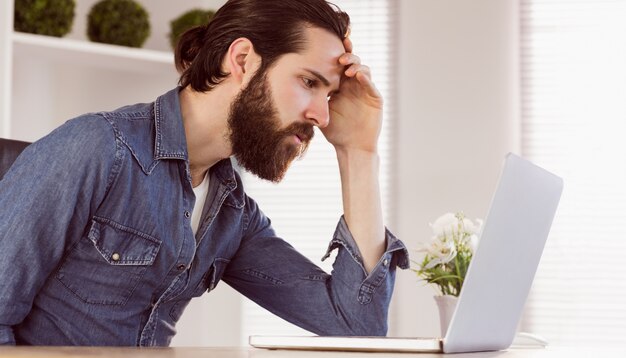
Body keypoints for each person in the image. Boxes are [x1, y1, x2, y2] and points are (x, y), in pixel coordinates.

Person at [0, 0, 408, 346]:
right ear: (243, 60)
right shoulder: (99, 149)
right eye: (308, 82)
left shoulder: (232, 214)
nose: (321, 116)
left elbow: (357, 325)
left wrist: (359, 151)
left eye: (330, 95)